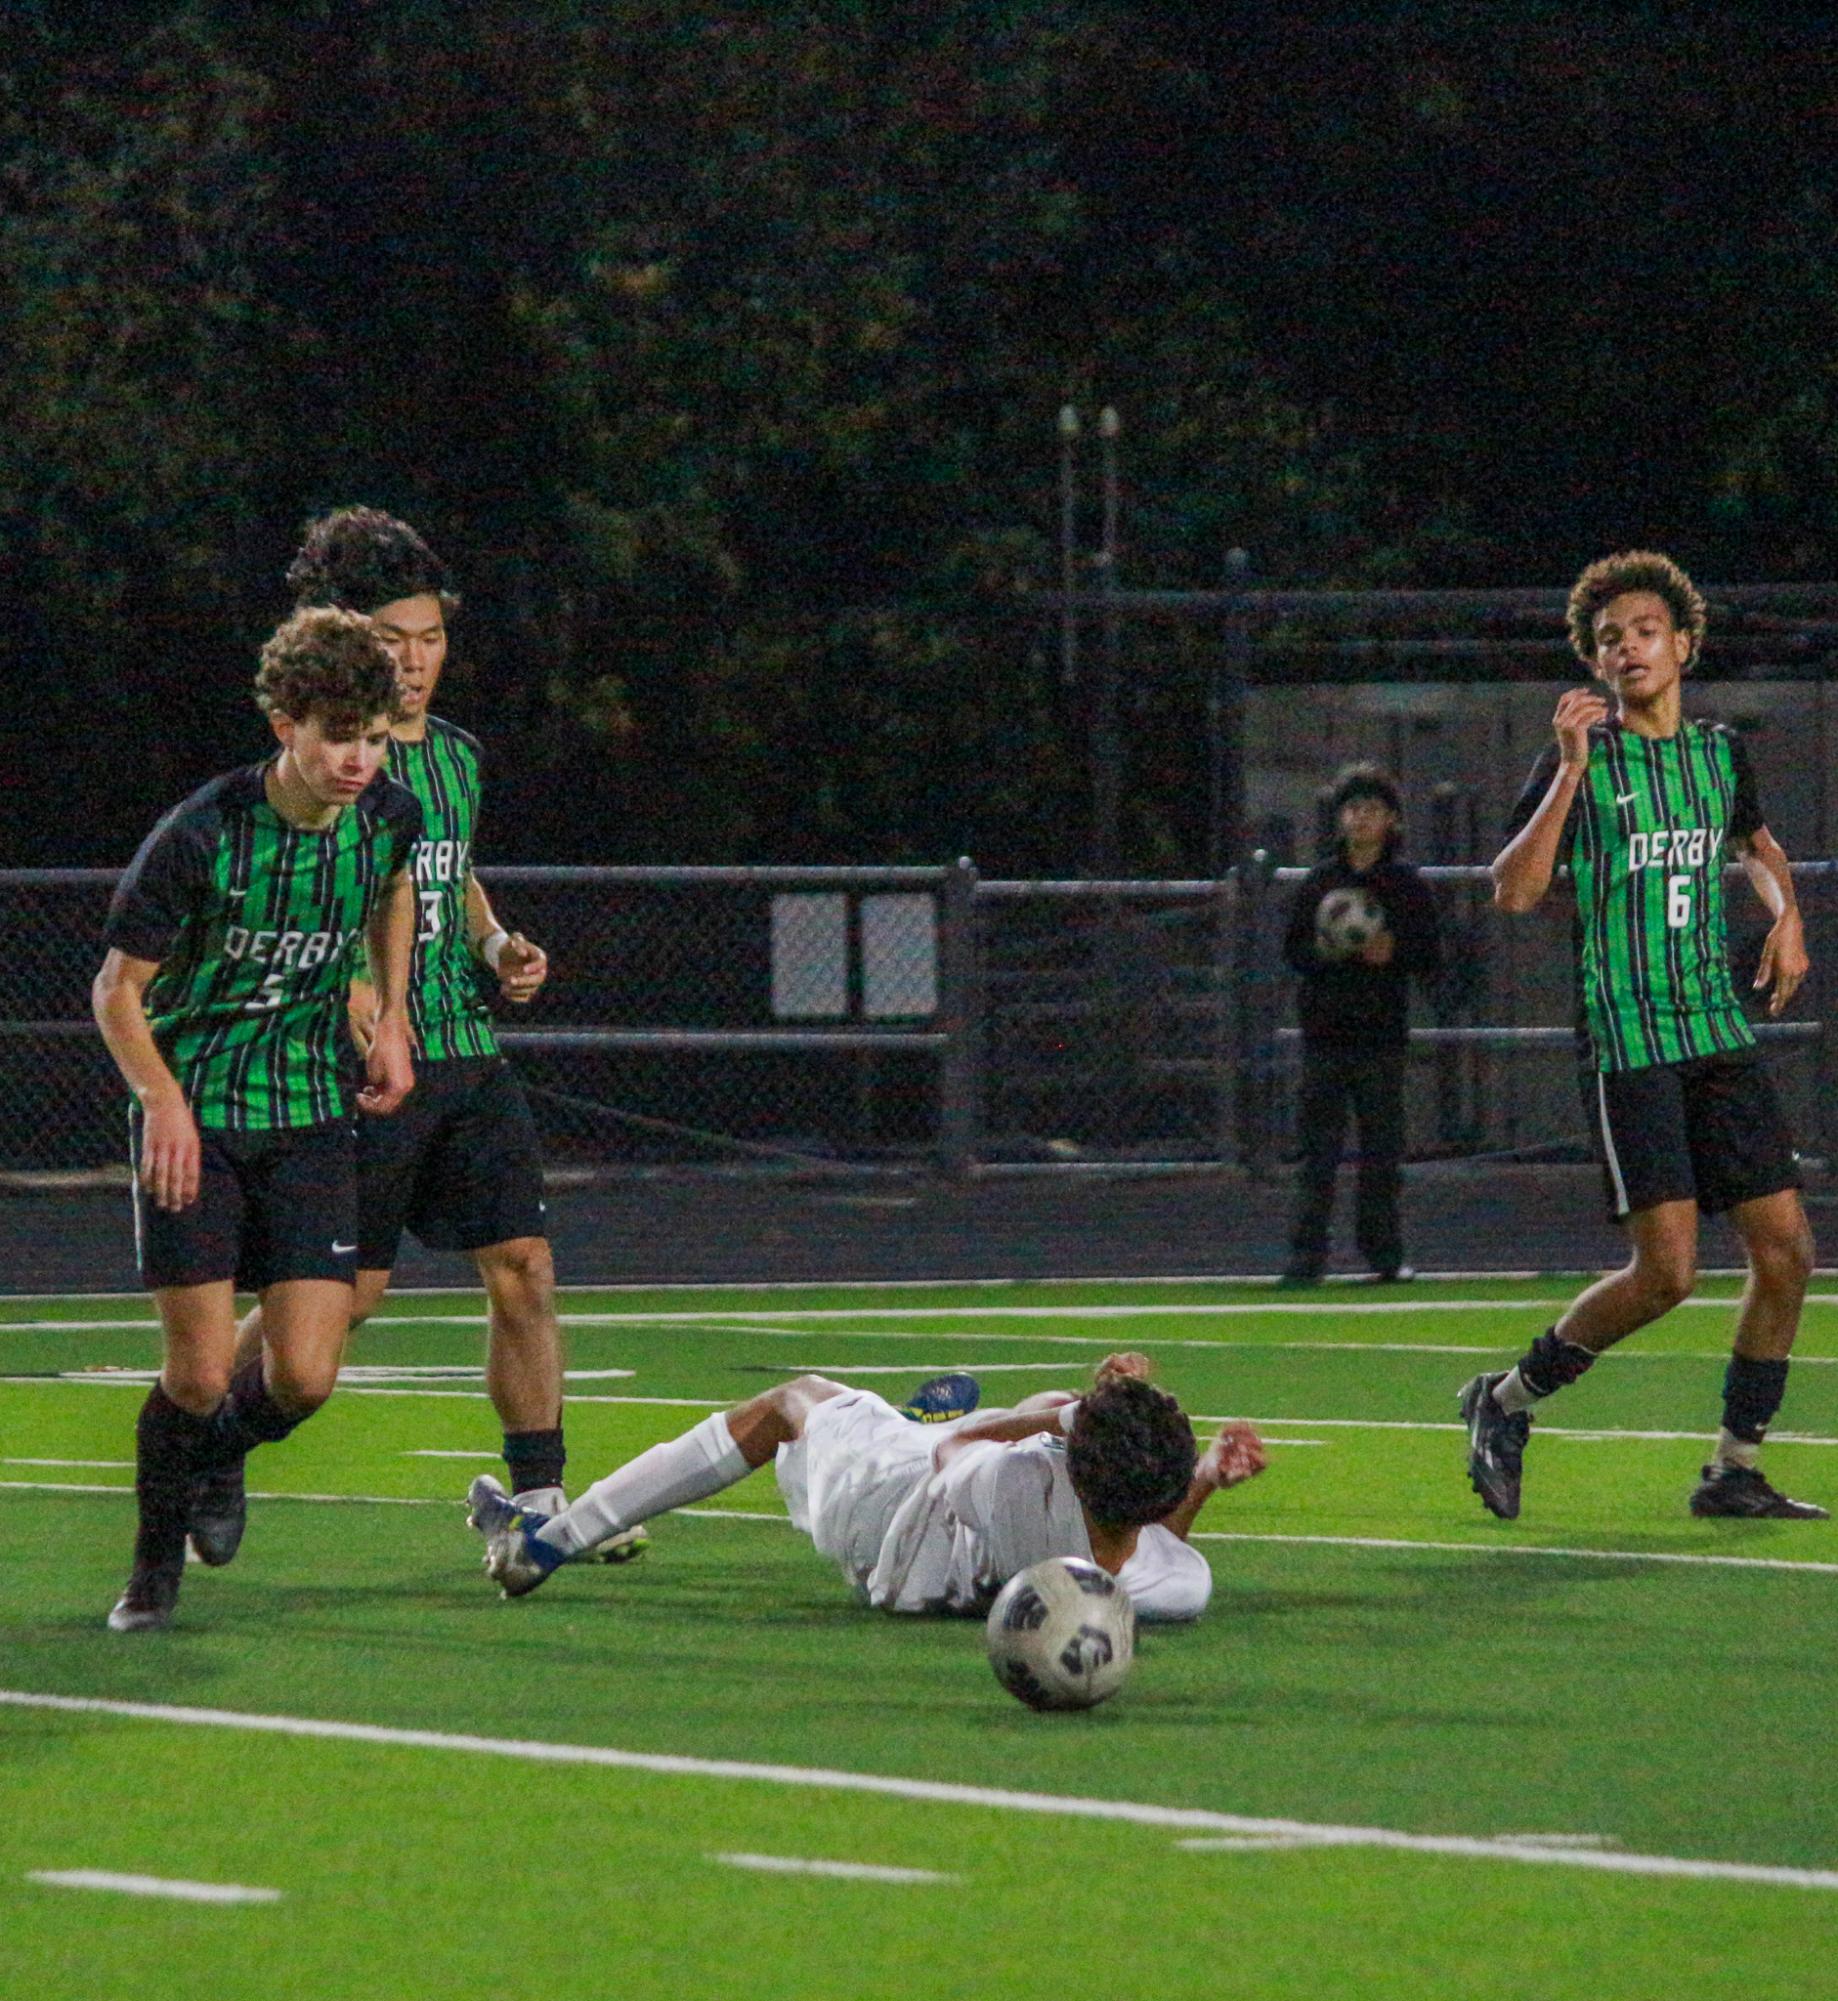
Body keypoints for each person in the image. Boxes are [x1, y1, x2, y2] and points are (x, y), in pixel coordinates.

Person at [227, 510, 628, 1548]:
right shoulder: (328, 767)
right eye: (393, 641)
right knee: (339, 1303)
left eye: (431, 639)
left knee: (524, 1264)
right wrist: (362, 1009)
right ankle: (202, 1435)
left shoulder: (454, 758)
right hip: (356, 1066)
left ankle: (539, 1501)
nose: (415, 661)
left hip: (461, 1050)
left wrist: (495, 945)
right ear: (344, 642)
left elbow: (452, 869)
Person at [1460, 549, 1821, 1522]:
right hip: (1630, 1041)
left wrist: (1784, 915)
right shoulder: (1576, 760)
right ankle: (1500, 1402)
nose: (1626, 647)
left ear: (1683, 645)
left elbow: (1754, 846)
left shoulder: (1714, 754)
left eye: (1643, 631)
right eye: (1608, 637)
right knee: (1664, 1274)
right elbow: (1514, 889)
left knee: (1784, 1250)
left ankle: (1732, 1468)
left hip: (1714, 1028)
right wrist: (1570, 772)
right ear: (1593, 662)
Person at [92, 607, 422, 1630]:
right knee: (194, 1373)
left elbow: (393, 893)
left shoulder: (387, 818)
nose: (357, 758)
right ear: (285, 723)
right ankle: (152, 1567)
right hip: (199, 1118)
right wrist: (163, 1102)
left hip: (309, 1115)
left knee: (308, 1378)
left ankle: (221, 1460)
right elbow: (115, 993)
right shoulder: (201, 834)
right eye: (336, 735)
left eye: (371, 736)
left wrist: (390, 1012)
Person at [464, 1356, 1268, 1619]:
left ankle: (547, 1539)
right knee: (1011, 1413)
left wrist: (1068, 1410)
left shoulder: (1023, 1480)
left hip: (894, 1515)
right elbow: (1148, 1541)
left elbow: (963, 1448)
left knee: (793, 1401)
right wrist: (1197, 1481)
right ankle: (904, 1418)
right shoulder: (1172, 1586)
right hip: (949, 1562)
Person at [1280, 763, 1442, 1283]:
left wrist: (1392, 952)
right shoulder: (1320, 882)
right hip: (1325, 1034)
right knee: (1317, 1155)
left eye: (1371, 809)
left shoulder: (1405, 885)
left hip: (1381, 1036)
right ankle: (1307, 1260)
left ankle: (1384, 1256)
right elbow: (1293, 950)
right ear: (1339, 819)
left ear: (1391, 820)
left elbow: (1429, 954)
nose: (1360, 819)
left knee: (1381, 1155)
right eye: (1352, 809)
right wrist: (1329, 949)